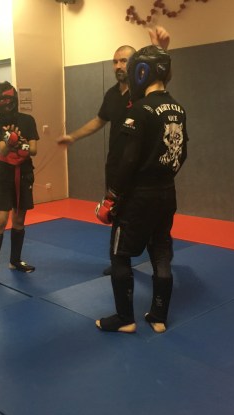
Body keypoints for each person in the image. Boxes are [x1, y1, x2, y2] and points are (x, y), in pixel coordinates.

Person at [57, 26, 171, 276]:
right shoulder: (111, 94)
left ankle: (158, 263)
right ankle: (120, 261)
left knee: (146, 215)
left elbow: (160, 78)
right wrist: (73, 136)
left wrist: (160, 49)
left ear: (137, 64)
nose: (119, 65)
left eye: (124, 60)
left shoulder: (143, 92)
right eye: (115, 61)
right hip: (116, 165)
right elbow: (99, 120)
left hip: (140, 167)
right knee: (115, 212)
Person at [94, 45, 187, 334]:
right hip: (166, 192)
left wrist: (111, 197)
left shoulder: (141, 110)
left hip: (138, 197)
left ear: (142, 72)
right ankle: (158, 317)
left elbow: (129, 160)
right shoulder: (178, 109)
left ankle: (125, 319)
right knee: (160, 251)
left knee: (119, 255)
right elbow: (181, 153)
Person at [0, 81, 39, 285]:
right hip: (4, 173)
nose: (6, 105)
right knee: (1, 219)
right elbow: (3, 150)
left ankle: (15, 261)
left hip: (24, 172)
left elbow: (33, 150)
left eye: (8, 101)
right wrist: (11, 141)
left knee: (19, 219)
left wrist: (20, 143)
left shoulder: (28, 120)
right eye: (1, 103)